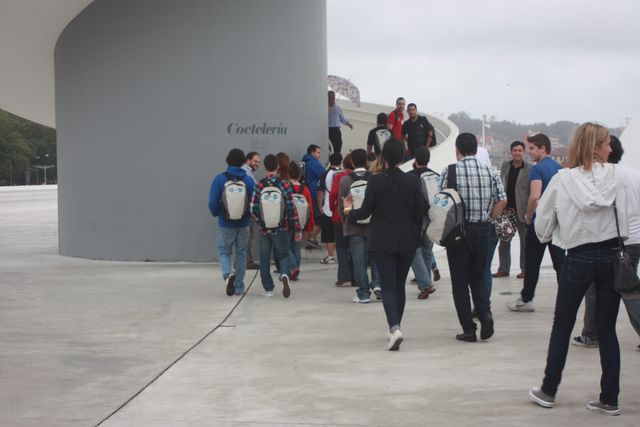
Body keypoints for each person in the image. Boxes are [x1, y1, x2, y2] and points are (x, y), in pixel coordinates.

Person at [528, 123, 628, 416]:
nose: (611, 149)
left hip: (578, 256)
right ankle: (610, 397)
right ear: (597, 146)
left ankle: (548, 390)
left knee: (562, 325)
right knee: (607, 329)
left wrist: (554, 234)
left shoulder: (562, 180)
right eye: (607, 143)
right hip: (611, 255)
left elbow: (543, 225)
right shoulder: (618, 177)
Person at [343, 138, 424, 351]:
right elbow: (420, 212)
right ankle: (395, 326)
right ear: (403, 156)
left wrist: (348, 211)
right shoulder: (413, 182)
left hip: (382, 240)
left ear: (384, 157)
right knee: (399, 286)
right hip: (407, 241)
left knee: (387, 286)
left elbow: (365, 213)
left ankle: (394, 328)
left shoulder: (376, 181)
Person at [572, 136, 640, 350]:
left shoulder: (600, 178)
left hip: (612, 241)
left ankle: (591, 334)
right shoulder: (634, 175)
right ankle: (592, 332)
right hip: (636, 239)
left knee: (596, 288)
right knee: (628, 287)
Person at [440, 133, 506, 342]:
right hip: (482, 229)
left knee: (459, 282)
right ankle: (485, 315)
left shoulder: (450, 171)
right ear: (476, 150)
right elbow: (502, 200)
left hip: (458, 232)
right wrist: (489, 217)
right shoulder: (490, 171)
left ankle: (468, 329)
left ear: (457, 150)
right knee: (478, 274)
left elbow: (441, 202)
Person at [507, 133, 565, 312]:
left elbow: (534, 196)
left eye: (532, 148)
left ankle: (526, 299)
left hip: (540, 224)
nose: (529, 152)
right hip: (556, 224)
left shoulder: (537, 169)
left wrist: (528, 215)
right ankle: (566, 300)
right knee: (560, 264)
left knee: (532, 263)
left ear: (542, 148)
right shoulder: (559, 168)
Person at [250, 154, 301, 298]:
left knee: (265, 258)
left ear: (265, 167)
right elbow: (291, 208)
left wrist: (262, 223)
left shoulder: (259, 185)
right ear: (278, 167)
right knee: (283, 255)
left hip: (265, 230)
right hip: (282, 228)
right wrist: (296, 228)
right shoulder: (284, 184)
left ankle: (268, 289)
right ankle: (285, 275)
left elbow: (253, 209)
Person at [208, 148, 256, 296]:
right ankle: (239, 287)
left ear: (228, 160)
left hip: (225, 223)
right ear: (243, 161)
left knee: (224, 252)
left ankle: (228, 274)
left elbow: (212, 202)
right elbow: (254, 202)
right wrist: (248, 216)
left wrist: (218, 213)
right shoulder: (248, 180)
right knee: (241, 254)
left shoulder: (219, 179)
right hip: (243, 224)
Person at [338, 148, 379, 303]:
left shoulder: (345, 180)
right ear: (367, 161)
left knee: (358, 260)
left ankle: (363, 293)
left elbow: (342, 206)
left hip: (354, 225)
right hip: (373, 225)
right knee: (375, 256)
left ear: (353, 162)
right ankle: (378, 284)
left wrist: (345, 219)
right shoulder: (374, 177)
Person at [492, 141, 531, 279]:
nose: (517, 153)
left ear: (523, 152)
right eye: (515, 150)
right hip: (507, 210)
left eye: (520, 150)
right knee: (504, 241)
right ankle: (503, 268)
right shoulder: (505, 166)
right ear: (511, 152)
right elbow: (501, 184)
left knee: (525, 242)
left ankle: (525, 269)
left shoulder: (529, 168)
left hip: (522, 210)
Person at [407, 146, 437, 299]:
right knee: (426, 251)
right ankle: (426, 282)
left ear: (415, 160)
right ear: (428, 159)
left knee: (413, 251)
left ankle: (425, 284)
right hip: (433, 218)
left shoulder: (409, 177)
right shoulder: (436, 176)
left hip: (415, 219)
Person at [330, 153, 354, 287]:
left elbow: (333, 194)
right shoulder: (363, 177)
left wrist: (333, 207)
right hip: (356, 215)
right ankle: (355, 276)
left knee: (341, 246)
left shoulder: (339, 176)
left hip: (339, 216)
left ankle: (343, 275)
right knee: (355, 247)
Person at [287, 161, 314, 281]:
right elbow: (310, 209)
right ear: (299, 175)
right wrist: (309, 225)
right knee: (296, 247)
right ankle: (296, 271)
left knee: (284, 246)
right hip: (301, 223)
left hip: (287, 222)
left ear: (288, 174)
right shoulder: (305, 189)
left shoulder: (286, 187)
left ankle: (292, 267)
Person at [317, 153, 343, 264]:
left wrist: (320, 206)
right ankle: (343, 255)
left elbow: (320, 191)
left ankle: (330, 256)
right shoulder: (344, 173)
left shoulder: (325, 174)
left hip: (328, 207)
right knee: (342, 233)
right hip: (342, 208)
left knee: (329, 234)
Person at [302, 144, 325, 249]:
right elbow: (324, 176)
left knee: (312, 217)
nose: (319, 155)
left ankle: (309, 240)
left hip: (308, 192)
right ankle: (311, 239)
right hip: (315, 192)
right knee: (319, 218)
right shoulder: (314, 164)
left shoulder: (305, 162)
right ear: (312, 152)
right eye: (318, 152)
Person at [242, 151, 261, 270]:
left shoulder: (246, 172)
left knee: (246, 236)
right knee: (248, 236)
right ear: (247, 160)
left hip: (244, 210)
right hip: (248, 210)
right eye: (255, 161)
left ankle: (243, 261)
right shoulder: (246, 173)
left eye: (258, 162)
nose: (257, 164)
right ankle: (247, 262)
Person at [328, 90, 353, 154]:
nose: (332, 99)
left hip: (337, 130)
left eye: (333, 97)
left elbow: (342, 118)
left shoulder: (338, 108)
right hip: (329, 130)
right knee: (330, 146)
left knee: (339, 144)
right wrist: (327, 111)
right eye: (330, 97)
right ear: (327, 98)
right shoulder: (324, 107)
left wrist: (348, 124)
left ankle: (337, 158)